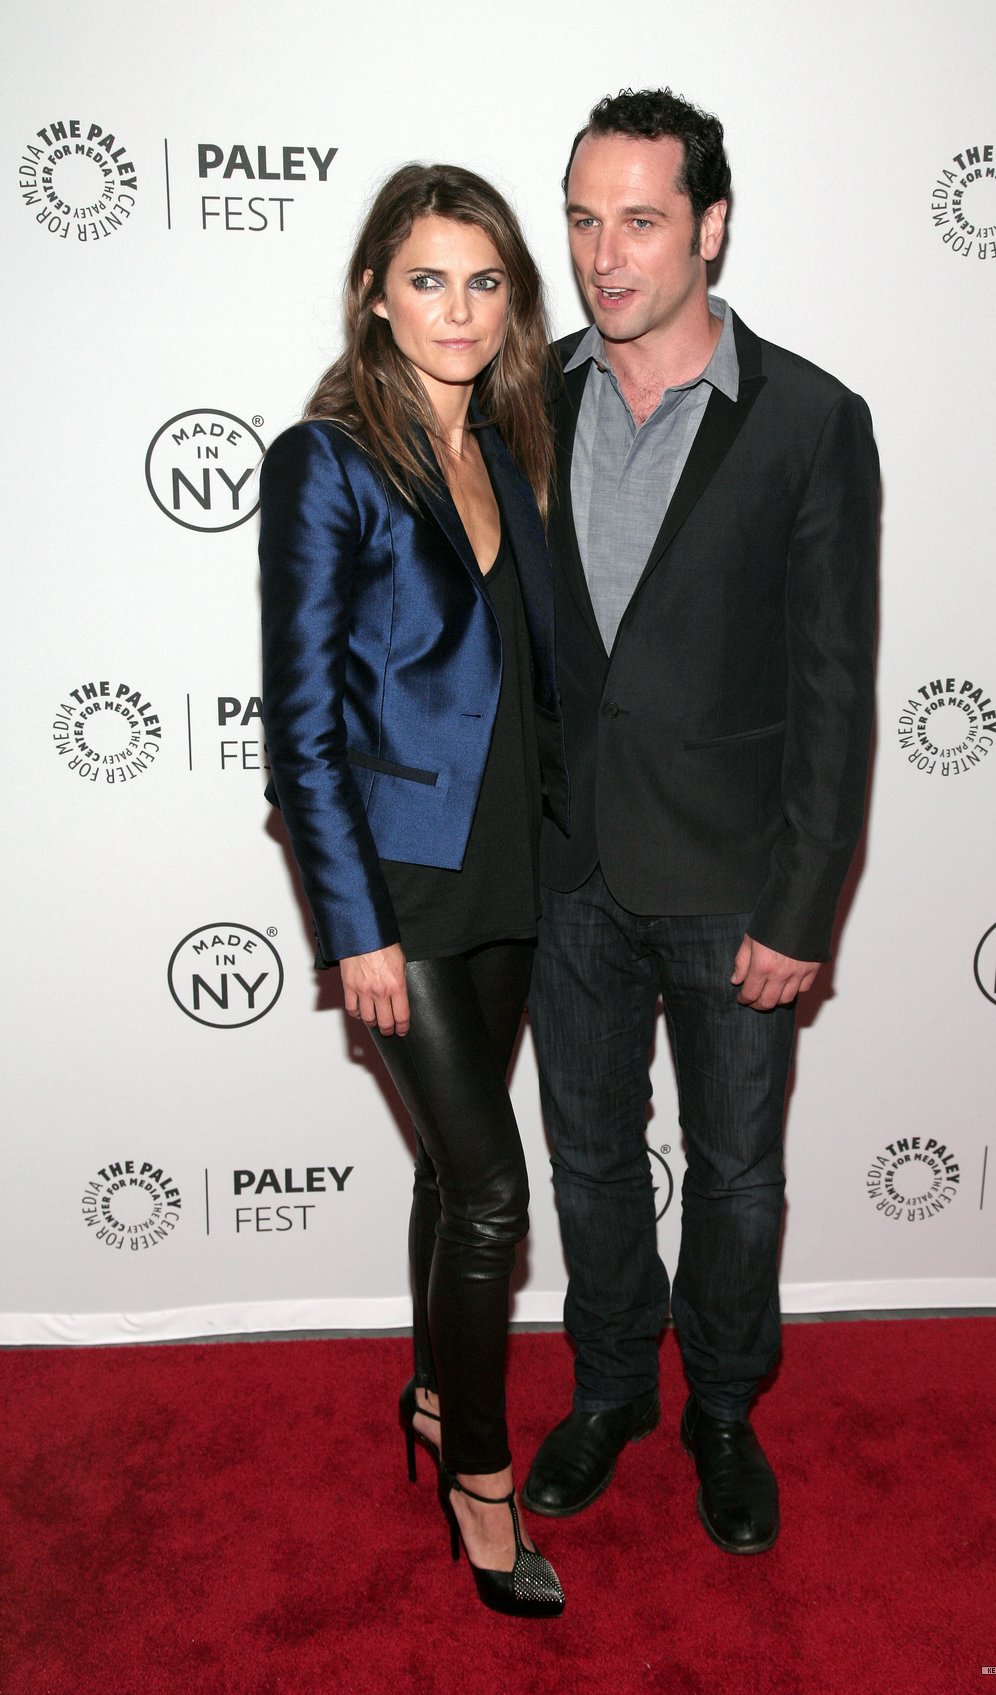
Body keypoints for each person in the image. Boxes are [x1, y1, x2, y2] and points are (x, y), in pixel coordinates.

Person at [521, 91, 879, 1555]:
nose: (606, 255)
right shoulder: (519, 398)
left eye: (643, 221)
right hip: (562, 876)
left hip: (734, 878)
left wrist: (805, 909)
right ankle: (611, 1388)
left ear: (711, 228)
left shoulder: (808, 421)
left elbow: (835, 688)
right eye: (585, 219)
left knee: (736, 1170)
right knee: (590, 1158)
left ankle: (724, 1411)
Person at [259, 163, 568, 1617]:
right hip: (400, 889)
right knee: (498, 1192)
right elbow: (301, 720)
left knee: (453, 1174)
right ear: (377, 288)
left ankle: (436, 1397)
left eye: (485, 280)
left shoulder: (509, 447)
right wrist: (353, 926)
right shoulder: (326, 461)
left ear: (513, 301)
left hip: (505, 859)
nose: (458, 307)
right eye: (429, 277)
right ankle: (483, 1480)